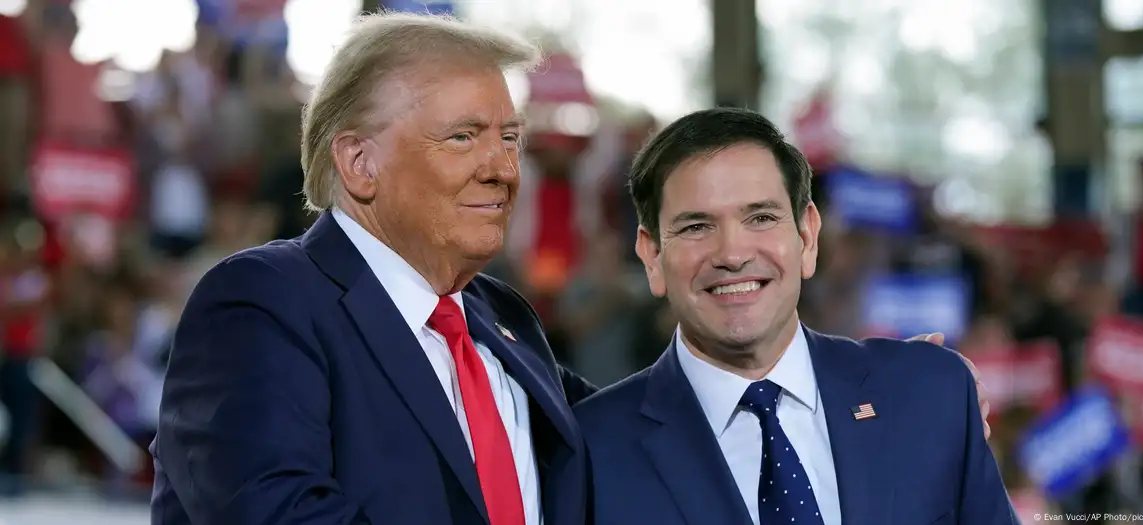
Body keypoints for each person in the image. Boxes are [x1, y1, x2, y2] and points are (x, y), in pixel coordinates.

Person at [151, 13, 989, 525]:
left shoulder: (501, 322)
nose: (502, 167)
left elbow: (667, 423)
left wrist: (886, 393)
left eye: (509, 138)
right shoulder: (263, 303)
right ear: (360, 162)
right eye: (465, 136)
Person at [575, 108, 1015, 525]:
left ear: (807, 237)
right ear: (652, 256)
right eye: (696, 227)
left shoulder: (930, 392)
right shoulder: (589, 450)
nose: (733, 254)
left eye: (761, 217)